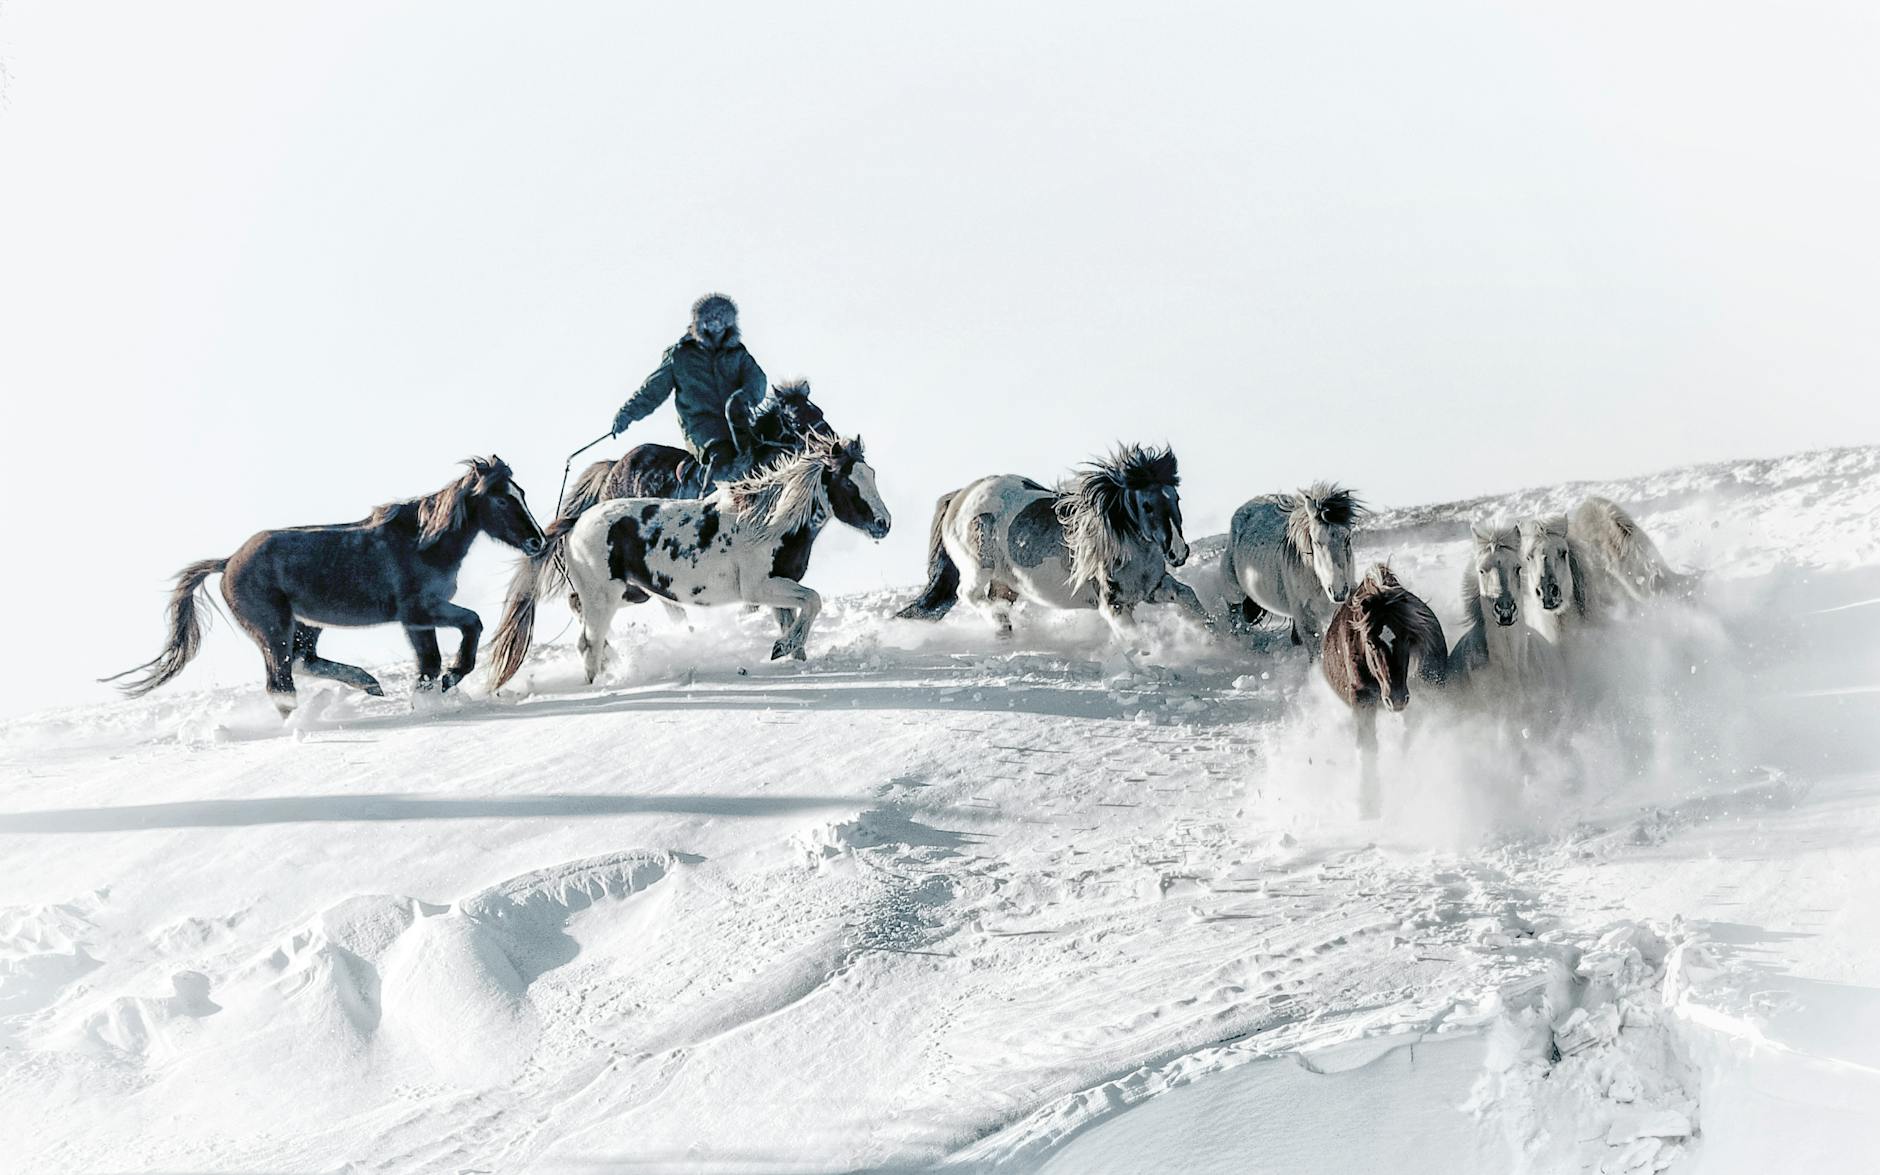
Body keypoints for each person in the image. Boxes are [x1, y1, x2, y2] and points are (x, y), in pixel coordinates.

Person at [611, 293, 771, 484]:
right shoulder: (681, 355)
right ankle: (709, 498)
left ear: (729, 323)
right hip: (703, 428)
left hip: (739, 424)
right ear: (700, 322)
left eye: (721, 318)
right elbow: (652, 391)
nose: (716, 324)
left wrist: (743, 398)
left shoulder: (737, 353)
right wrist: (627, 414)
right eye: (710, 319)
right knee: (723, 458)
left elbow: (757, 381)